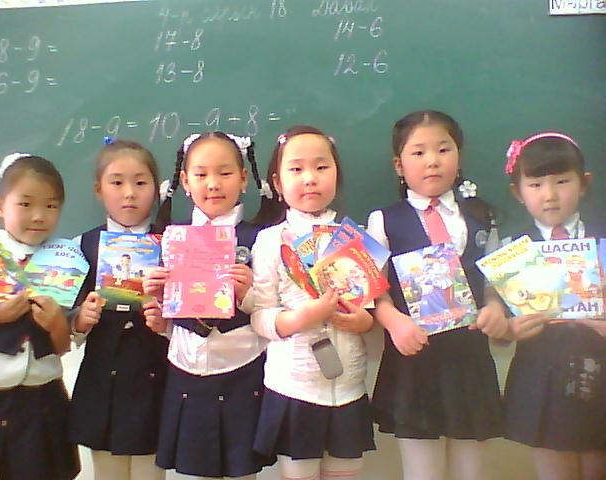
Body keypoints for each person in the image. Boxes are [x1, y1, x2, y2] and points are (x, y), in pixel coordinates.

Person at [367, 110, 507, 480]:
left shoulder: (483, 216)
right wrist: (394, 322)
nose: (432, 160)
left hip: (469, 358)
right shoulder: (382, 220)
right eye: (418, 152)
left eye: (443, 149)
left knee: (471, 471)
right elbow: (372, 290)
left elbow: (494, 283)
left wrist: (495, 308)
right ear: (399, 165)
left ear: (459, 156)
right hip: (414, 362)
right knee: (422, 472)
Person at [144, 131, 275, 479]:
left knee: (243, 470)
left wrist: (249, 295)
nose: (213, 184)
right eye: (201, 174)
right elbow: (172, 318)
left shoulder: (262, 238)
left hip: (243, 369)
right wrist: (160, 309)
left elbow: (274, 311)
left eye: (225, 173)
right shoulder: (171, 237)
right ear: (185, 182)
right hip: (185, 371)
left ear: (243, 178)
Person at [250, 125, 375, 480]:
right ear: (277, 182)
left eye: (322, 167)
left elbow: (371, 310)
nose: (310, 178)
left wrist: (363, 322)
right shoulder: (270, 241)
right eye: (296, 169)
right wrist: (300, 318)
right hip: (294, 386)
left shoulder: (356, 237)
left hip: (348, 387)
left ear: (337, 174)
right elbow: (259, 315)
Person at [0, 153, 80, 480]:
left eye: (51, 205)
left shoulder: (67, 263)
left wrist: (56, 325)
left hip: (42, 401)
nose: (38, 216)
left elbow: (61, 346)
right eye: (25, 204)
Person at [503, 131, 606, 480]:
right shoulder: (511, 249)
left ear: (584, 183)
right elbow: (499, 324)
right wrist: (509, 329)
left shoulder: (602, 239)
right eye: (536, 185)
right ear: (518, 192)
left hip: (599, 369)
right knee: (554, 469)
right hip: (541, 374)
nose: (549, 195)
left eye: (562, 181)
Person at [69, 139, 168, 480]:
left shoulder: (173, 243)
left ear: (155, 189)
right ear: (99, 189)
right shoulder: (81, 247)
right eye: (116, 182)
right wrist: (80, 320)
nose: (129, 193)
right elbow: (67, 320)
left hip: (154, 382)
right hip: (102, 384)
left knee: (149, 473)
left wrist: (166, 322)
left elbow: (190, 310)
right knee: (107, 473)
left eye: (140, 183)